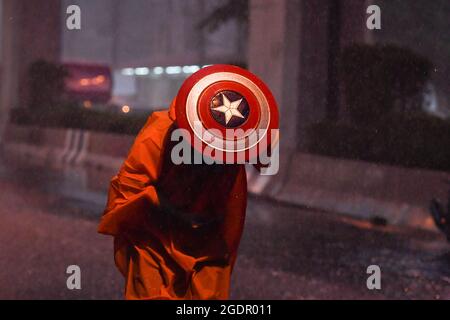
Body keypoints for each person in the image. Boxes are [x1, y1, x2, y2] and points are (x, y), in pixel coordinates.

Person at [97, 98, 248, 299]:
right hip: (156, 240)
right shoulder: (161, 131)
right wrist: (169, 209)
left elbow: (232, 211)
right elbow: (131, 186)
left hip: (205, 248)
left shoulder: (232, 147)